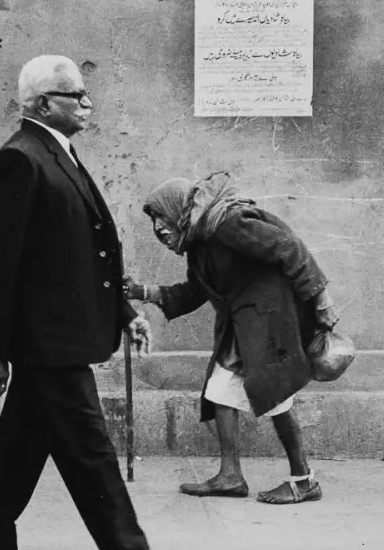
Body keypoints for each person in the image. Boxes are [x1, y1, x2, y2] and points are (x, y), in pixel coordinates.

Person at [0, 55, 153, 550]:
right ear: (45, 104)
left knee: (15, 463)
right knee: (95, 464)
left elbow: (82, 255)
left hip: (56, 343)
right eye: (77, 95)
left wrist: (124, 312)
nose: (88, 103)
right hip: (51, 348)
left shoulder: (57, 153)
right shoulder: (20, 159)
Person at [124, 172, 340, 505]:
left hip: (268, 320)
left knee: (276, 397)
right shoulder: (199, 243)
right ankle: (230, 475)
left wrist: (322, 299)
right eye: (154, 222)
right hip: (244, 324)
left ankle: (304, 479)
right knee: (221, 390)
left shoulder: (228, 223)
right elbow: (195, 291)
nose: (158, 228)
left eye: (161, 217)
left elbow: (289, 246)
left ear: (178, 210)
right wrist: (143, 292)